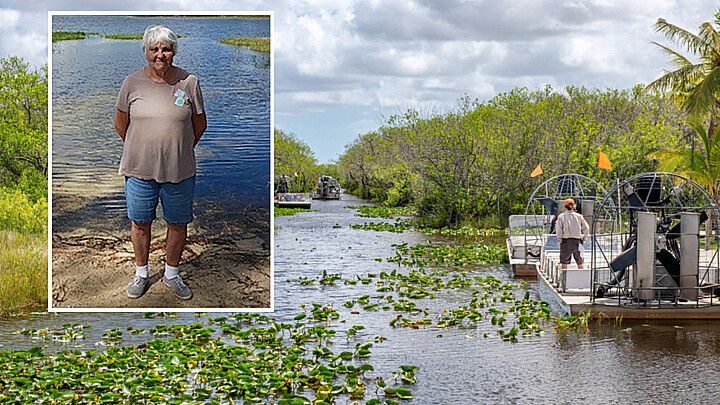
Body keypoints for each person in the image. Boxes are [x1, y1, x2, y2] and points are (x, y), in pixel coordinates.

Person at [114, 25, 207, 300]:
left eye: (165, 49)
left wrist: (177, 150)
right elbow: (121, 125)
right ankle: (141, 274)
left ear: (174, 52)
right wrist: (144, 149)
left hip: (180, 170)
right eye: (154, 49)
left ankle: (172, 274)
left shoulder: (189, 82)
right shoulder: (131, 83)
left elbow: (199, 125)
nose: (160, 55)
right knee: (140, 222)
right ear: (146, 51)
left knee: (177, 223)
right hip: (138, 169)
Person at [556, 198, 589, 269]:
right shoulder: (579, 216)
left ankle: (563, 279)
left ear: (565, 207)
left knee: (564, 262)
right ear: (574, 206)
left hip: (566, 242)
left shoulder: (561, 216)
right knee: (580, 262)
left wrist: (560, 241)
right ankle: (582, 278)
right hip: (577, 242)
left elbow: (559, 231)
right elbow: (587, 228)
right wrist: (583, 240)